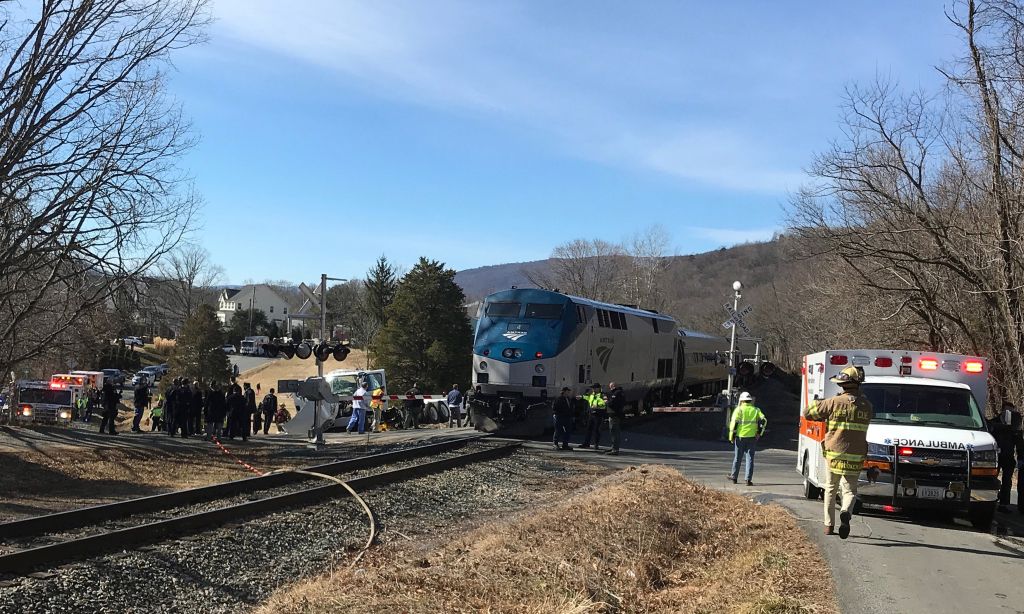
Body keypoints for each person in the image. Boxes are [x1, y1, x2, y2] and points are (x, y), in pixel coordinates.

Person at [804, 366, 873, 539]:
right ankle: (845, 512)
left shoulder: (833, 402)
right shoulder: (867, 405)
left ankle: (829, 525)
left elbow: (808, 413)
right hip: (856, 455)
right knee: (849, 491)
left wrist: (818, 402)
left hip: (834, 453)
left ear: (842, 384)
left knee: (830, 488)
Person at [728, 391, 766, 485]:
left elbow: (733, 425)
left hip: (740, 437)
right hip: (752, 438)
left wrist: (731, 437)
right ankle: (748, 480)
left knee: (737, 458)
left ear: (741, 400)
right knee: (750, 458)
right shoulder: (756, 410)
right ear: (750, 401)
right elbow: (764, 421)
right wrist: (759, 433)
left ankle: (734, 477)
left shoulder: (738, 410)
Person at [991, 401, 1022, 513]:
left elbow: (1018, 441)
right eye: (1007, 410)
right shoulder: (994, 423)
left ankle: (1003, 504)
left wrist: (1020, 456)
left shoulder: (1014, 425)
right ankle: (991, 500)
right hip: (996, 455)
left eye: (1011, 411)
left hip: (1008, 456)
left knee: (1007, 481)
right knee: (992, 479)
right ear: (1002, 410)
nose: (1009, 413)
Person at [580, 383, 607, 450]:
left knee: (596, 430)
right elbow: (589, 398)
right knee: (588, 429)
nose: (593, 389)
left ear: (598, 388)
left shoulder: (602, 395)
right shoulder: (592, 394)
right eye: (593, 388)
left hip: (598, 415)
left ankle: (596, 444)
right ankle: (586, 443)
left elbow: (604, 404)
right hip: (591, 414)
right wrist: (582, 397)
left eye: (594, 388)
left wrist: (597, 406)